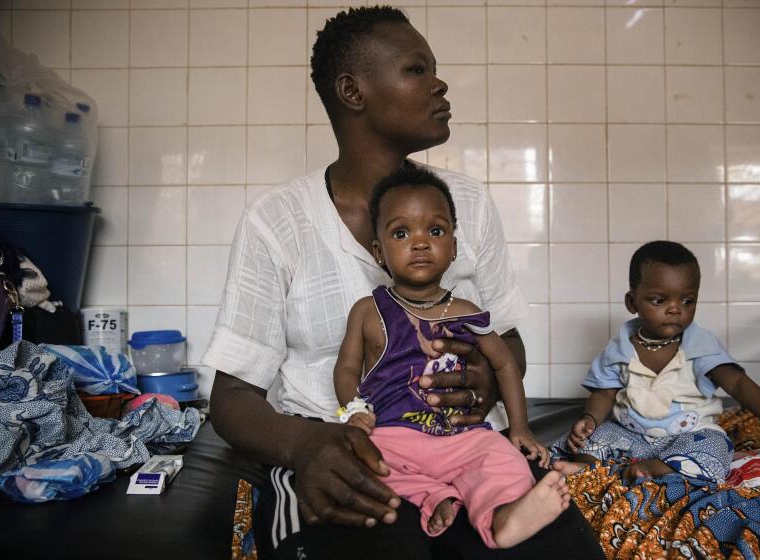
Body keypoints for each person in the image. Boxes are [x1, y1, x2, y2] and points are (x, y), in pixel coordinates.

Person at [204, 5, 604, 559]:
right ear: (353, 91)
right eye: (418, 70)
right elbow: (231, 397)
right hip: (352, 455)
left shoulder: (469, 204)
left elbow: (506, 339)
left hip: (469, 448)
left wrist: (486, 377)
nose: (440, 83)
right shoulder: (278, 222)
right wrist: (308, 445)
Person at [334, 167, 570, 549]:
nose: (421, 243)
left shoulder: (466, 310)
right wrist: (352, 411)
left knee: (500, 458)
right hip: (396, 436)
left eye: (436, 231)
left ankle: (502, 516)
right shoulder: (368, 311)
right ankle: (432, 496)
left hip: (460, 437)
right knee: (362, 461)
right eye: (401, 233)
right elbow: (346, 370)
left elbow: (505, 363)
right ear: (378, 252)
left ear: (455, 247)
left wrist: (520, 428)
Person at [552, 241, 760, 483]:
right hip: (631, 435)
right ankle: (586, 465)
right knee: (594, 436)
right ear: (632, 302)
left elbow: (737, 384)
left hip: (690, 435)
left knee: (716, 446)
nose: (675, 309)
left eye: (687, 301)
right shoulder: (619, 349)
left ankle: (660, 468)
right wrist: (590, 419)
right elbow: (605, 394)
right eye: (659, 301)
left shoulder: (700, 346)